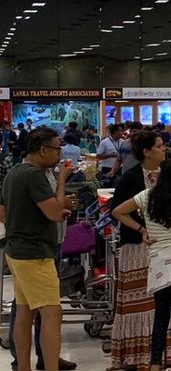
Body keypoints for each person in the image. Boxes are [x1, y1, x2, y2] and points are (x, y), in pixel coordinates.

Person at [109, 130, 171, 371]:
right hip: (136, 248)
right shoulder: (131, 178)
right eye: (159, 146)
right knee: (141, 303)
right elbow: (117, 211)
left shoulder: (168, 176)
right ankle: (138, 356)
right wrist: (141, 229)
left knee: (161, 306)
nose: (163, 149)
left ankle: (162, 356)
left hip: (166, 248)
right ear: (146, 151)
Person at [0, 128, 78, 371]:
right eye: (57, 149)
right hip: (35, 254)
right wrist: (62, 179)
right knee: (52, 314)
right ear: (43, 149)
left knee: (25, 313)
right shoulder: (35, 175)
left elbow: (3, 213)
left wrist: (36, 215)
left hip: (16, 250)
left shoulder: (14, 173)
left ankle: (23, 366)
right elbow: (54, 213)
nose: (59, 154)